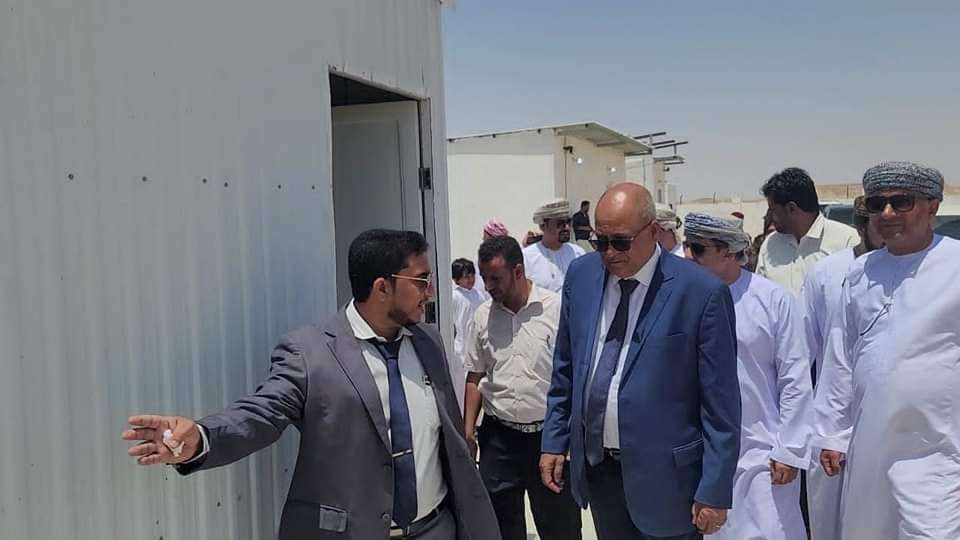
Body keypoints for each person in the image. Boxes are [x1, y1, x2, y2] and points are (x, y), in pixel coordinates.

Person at [121, 229, 501, 540]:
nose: (430, 292)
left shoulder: (427, 341)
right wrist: (202, 438)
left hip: (435, 528)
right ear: (382, 287)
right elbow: (260, 414)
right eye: (421, 281)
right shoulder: (310, 353)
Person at [539, 183, 741, 539]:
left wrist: (715, 488)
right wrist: (554, 440)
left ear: (653, 231)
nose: (609, 253)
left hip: (670, 483)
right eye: (601, 241)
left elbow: (721, 404)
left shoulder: (700, 293)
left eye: (620, 242)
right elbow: (566, 366)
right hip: (601, 474)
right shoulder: (582, 276)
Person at [813, 162, 960, 539]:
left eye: (901, 202)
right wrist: (832, 433)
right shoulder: (861, 272)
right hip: (869, 445)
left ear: (933, 206)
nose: (888, 214)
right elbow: (840, 356)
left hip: (936, 449)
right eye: (877, 204)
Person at [684, 213, 813, 540]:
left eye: (698, 249)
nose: (688, 256)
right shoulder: (682, 301)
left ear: (728, 252)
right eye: (687, 245)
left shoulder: (772, 300)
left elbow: (794, 378)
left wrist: (789, 448)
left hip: (762, 452)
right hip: (702, 454)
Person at [463, 236, 582, 540]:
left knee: (560, 527)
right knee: (500, 528)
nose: (488, 286)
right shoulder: (482, 316)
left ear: (518, 271)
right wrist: (468, 431)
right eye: (484, 277)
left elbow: (574, 376)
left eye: (495, 278)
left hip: (548, 440)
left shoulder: (555, 310)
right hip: (499, 439)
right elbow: (475, 376)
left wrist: (568, 438)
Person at [799, 196, 883, 540]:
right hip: (831, 417)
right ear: (862, 226)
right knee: (829, 520)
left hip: (885, 418)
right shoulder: (827, 273)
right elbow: (804, 350)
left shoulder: (912, 270)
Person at [756, 167, 859, 296]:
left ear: (791, 209)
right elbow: (760, 296)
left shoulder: (848, 241)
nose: (770, 217)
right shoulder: (770, 244)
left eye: (773, 211)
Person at [522, 199, 586, 292]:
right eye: (560, 223)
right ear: (543, 226)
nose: (567, 227)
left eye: (568, 222)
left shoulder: (578, 254)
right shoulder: (527, 257)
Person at [451, 258, 487, 410]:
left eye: (472, 275)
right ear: (456, 279)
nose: (470, 279)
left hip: (476, 345)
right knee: (460, 385)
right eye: (466, 276)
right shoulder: (454, 296)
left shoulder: (479, 295)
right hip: (460, 348)